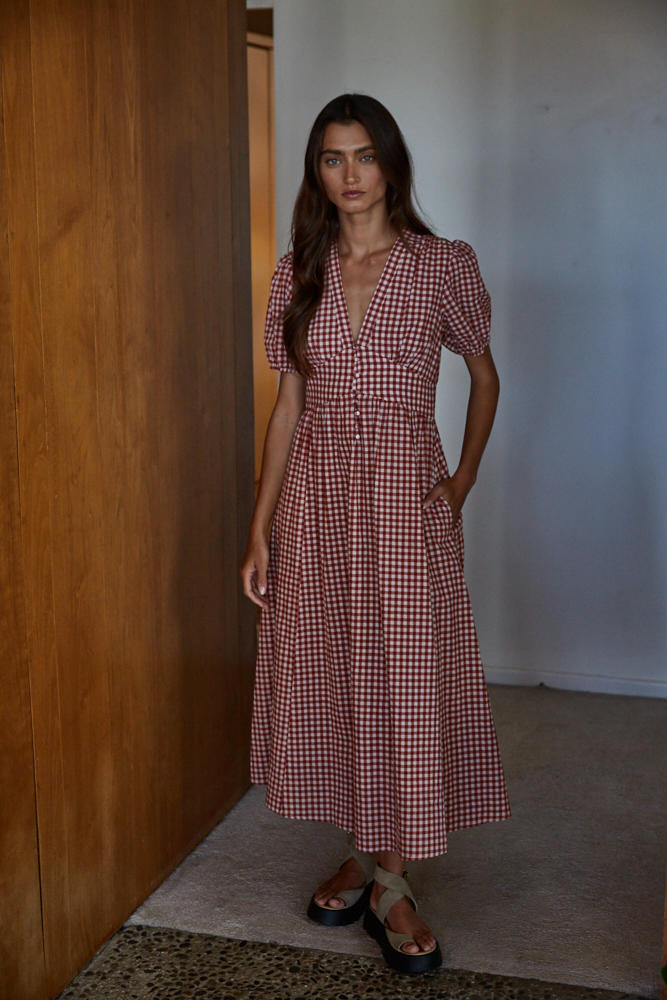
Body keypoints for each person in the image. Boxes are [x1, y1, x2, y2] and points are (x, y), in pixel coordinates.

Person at [240, 93, 510, 976]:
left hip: (401, 500)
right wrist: (260, 528)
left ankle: (392, 877)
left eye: (363, 156)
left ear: (390, 164)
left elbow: (481, 374)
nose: (348, 175)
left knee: (402, 672)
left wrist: (461, 479)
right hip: (315, 503)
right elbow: (289, 407)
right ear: (316, 171)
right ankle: (363, 844)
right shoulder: (296, 271)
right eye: (330, 158)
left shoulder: (442, 265)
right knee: (336, 668)